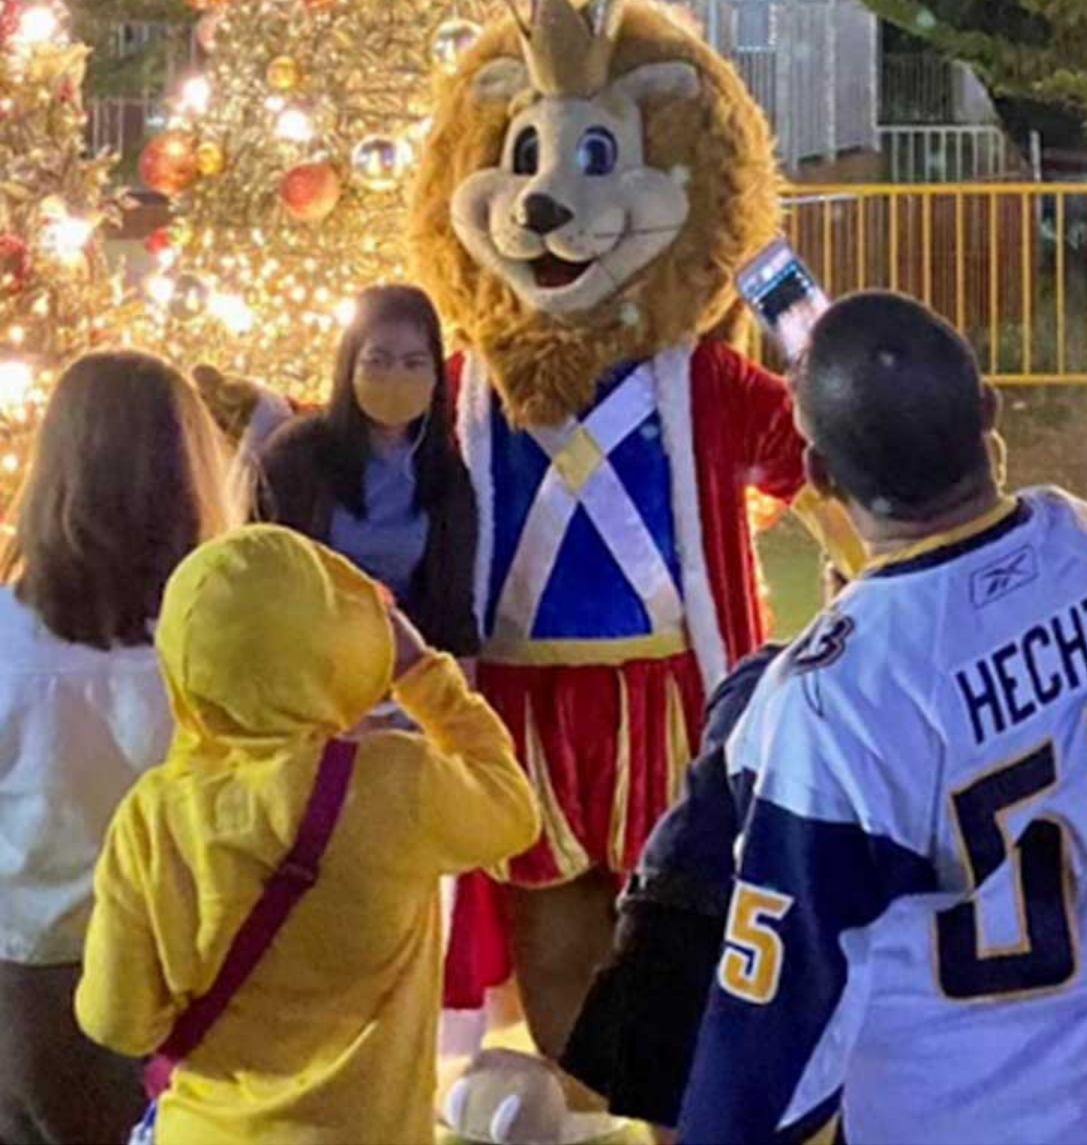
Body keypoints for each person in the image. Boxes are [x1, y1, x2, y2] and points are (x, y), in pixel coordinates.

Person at [678, 292, 1087, 1145]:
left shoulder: (824, 698)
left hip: (981, 1106)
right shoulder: (1074, 542)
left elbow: (774, 1019)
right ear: (987, 410)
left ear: (817, 475)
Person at [75, 524, 541, 1145]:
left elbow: (117, 1022)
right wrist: (422, 672)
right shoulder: (395, 785)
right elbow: (514, 811)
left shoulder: (152, 819)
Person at [0, 350, 239, 1145]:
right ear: (187, 470)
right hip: (192, 969)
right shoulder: (226, 642)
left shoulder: (6, 638)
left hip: (32, 966)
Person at [561, 641, 780, 1140]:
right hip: (727, 912)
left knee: (677, 1117)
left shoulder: (758, 671)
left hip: (662, 902)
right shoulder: (852, 687)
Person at [258, 283, 477, 655]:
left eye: (413, 362)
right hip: (307, 665)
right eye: (378, 360)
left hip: (404, 671)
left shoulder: (446, 474)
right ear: (350, 366)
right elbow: (263, 575)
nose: (396, 376)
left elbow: (453, 612)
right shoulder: (296, 454)